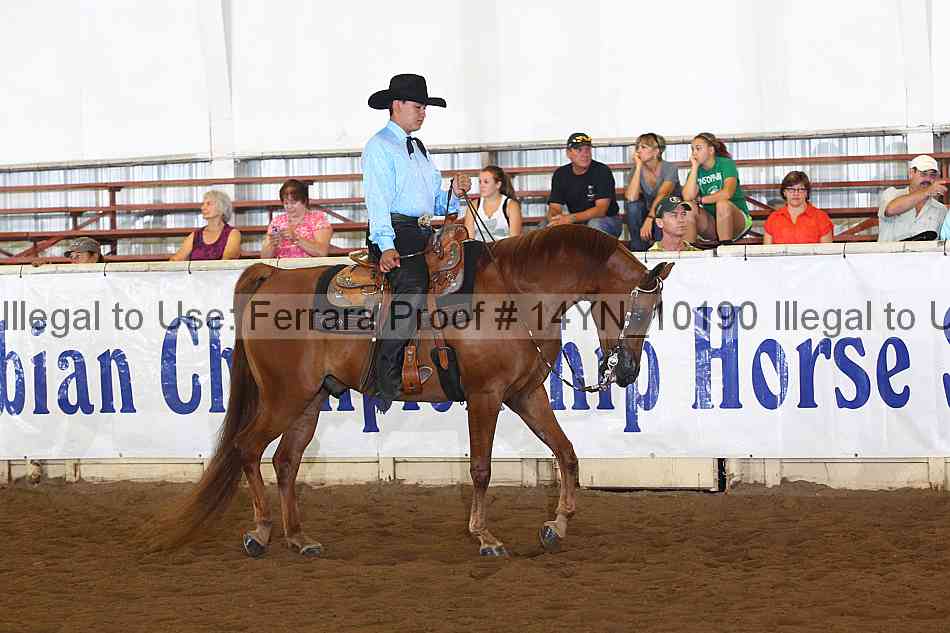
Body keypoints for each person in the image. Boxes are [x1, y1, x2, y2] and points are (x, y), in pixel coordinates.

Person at [362, 73, 471, 405]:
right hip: (396, 232)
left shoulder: (418, 147)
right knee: (413, 284)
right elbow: (377, 200)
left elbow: (434, 203)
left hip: (422, 230)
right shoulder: (379, 146)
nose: (423, 113)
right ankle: (386, 374)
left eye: (425, 107)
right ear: (397, 105)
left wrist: (453, 193)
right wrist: (386, 245)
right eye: (418, 106)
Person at [546, 132, 622, 237]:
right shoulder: (560, 174)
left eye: (588, 149)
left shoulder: (602, 171)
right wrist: (555, 219)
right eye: (579, 150)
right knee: (544, 227)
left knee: (594, 225)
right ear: (568, 153)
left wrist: (570, 218)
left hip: (607, 219)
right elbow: (554, 206)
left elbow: (601, 210)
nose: (585, 154)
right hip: (577, 221)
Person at [682, 132, 753, 243]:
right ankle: (689, 248)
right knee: (688, 207)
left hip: (736, 220)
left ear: (711, 150)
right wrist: (694, 167)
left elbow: (727, 193)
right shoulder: (695, 171)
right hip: (712, 222)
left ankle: (725, 248)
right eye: (692, 149)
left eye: (698, 148)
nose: (694, 153)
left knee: (722, 203)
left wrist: (701, 200)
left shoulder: (726, 164)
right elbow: (687, 197)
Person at [624, 133, 681, 251]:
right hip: (649, 211)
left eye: (643, 147)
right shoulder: (636, 169)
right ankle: (638, 249)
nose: (638, 151)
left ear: (656, 151)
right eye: (637, 147)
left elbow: (663, 195)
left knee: (662, 213)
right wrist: (638, 167)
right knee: (632, 206)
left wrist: (650, 218)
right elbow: (631, 197)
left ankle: (661, 250)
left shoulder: (670, 168)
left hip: (668, 209)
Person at [877, 155, 948, 242]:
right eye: (923, 174)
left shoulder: (941, 210)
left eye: (932, 175)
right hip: (889, 251)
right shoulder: (891, 194)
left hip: (925, 252)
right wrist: (927, 191)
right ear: (911, 173)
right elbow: (890, 210)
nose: (928, 179)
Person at [260, 179, 333, 258]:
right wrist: (272, 244)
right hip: (281, 265)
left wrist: (296, 238)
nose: (289, 207)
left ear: (304, 201)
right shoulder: (277, 222)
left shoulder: (318, 219)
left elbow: (322, 252)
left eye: (293, 203)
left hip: (310, 265)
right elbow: (264, 257)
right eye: (286, 203)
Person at [763, 171, 834, 244]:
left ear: (806, 193)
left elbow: (827, 250)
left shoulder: (821, 218)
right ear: (784, 192)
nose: (796, 193)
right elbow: (767, 250)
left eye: (801, 189)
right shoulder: (773, 219)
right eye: (791, 189)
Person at [170, 190, 242, 261]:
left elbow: (228, 260)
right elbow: (176, 259)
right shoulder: (196, 235)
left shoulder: (233, 233)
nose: (203, 208)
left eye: (208, 204)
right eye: (203, 204)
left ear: (222, 208)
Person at [462, 165, 523, 240]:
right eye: (480, 182)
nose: (481, 186)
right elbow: (470, 240)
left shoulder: (512, 206)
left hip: (505, 247)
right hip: (478, 247)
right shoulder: (473, 205)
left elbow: (514, 240)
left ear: (498, 184)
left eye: (486, 182)